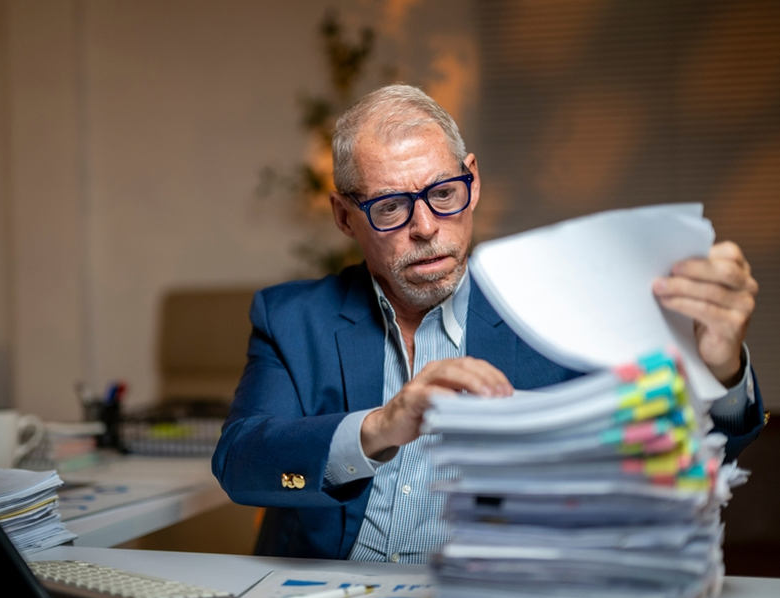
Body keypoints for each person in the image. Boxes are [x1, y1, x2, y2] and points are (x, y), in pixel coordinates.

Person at [212, 84, 764, 563]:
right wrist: (380, 427)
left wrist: (721, 369)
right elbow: (242, 466)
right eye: (388, 208)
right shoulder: (291, 318)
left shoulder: (556, 311)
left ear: (471, 180)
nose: (426, 227)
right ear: (343, 217)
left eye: (444, 194)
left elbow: (687, 454)